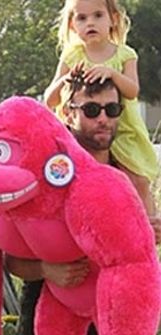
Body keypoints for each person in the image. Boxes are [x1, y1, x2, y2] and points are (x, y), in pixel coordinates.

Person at [0, 75, 159, 335]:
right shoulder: (43, 179)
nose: (103, 119)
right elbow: (8, 259)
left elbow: (143, 264)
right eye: (91, 109)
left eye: (112, 109)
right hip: (46, 329)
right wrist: (45, 268)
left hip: (115, 331)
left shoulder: (132, 178)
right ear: (68, 113)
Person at [43, 0, 158, 215]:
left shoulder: (125, 54)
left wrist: (113, 74)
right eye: (82, 18)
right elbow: (50, 100)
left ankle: (149, 223)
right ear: (72, 25)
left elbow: (132, 91)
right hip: (80, 130)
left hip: (122, 129)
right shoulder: (72, 55)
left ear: (113, 19)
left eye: (98, 15)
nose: (90, 23)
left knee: (138, 180)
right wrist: (64, 81)